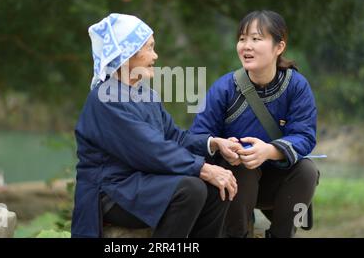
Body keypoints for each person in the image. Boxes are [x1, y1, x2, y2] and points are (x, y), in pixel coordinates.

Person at [71, 13, 239, 238]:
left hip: (143, 182)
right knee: (191, 188)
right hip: (111, 191)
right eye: (149, 48)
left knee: (216, 187)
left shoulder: (144, 93)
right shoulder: (105, 99)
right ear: (128, 52)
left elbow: (174, 137)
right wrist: (203, 168)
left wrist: (213, 144)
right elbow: (149, 149)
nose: (155, 55)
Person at [191, 10, 320, 238]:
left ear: (279, 47)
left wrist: (269, 151)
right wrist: (219, 145)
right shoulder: (224, 88)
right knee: (243, 166)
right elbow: (196, 136)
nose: (246, 46)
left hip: (277, 184)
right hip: (234, 185)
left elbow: (305, 136)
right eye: (242, 39)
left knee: (307, 170)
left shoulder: (297, 86)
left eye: (256, 39)